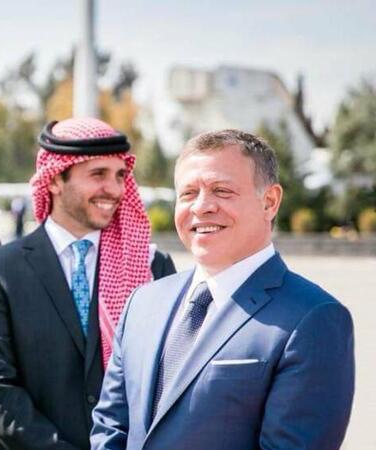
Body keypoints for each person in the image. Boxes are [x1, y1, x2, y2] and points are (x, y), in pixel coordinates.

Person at [90, 129, 355, 450]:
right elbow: (110, 427)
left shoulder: (312, 319)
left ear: (270, 202)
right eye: (188, 193)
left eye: (222, 190)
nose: (201, 206)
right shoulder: (143, 302)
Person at [0, 117, 176, 449]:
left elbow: (170, 376)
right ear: (54, 180)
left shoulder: (152, 267)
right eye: (98, 174)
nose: (114, 189)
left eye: (120, 175)